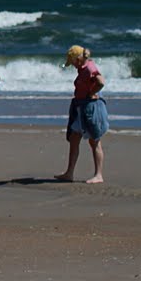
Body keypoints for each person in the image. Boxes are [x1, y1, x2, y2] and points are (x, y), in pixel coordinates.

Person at [56, 45, 108, 184]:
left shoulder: (90, 68)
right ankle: (69, 173)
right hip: (81, 108)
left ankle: (98, 175)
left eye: (72, 62)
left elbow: (101, 82)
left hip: (90, 109)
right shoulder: (83, 67)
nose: (72, 65)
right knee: (74, 138)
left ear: (78, 59)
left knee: (94, 141)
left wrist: (91, 92)